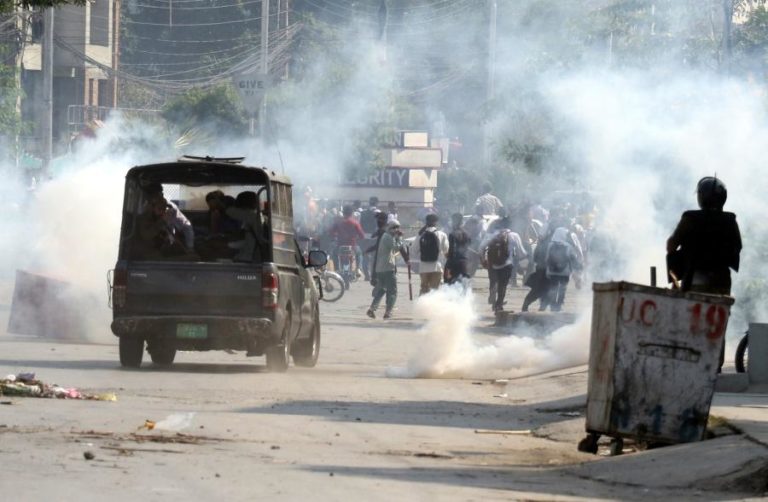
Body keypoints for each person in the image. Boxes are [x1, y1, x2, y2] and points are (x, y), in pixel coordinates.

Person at [667, 176, 742, 372]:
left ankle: (692, 365)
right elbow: (737, 248)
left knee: (693, 323)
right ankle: (714, 366)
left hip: (694, 281)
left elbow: (671, 245)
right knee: (718, 322)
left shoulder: (690, 218)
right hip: (722, 282)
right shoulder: (730, 221)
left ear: (701, 197)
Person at [481, 222, 526, 312]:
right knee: (503, 285)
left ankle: (493, 298)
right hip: (507, 264)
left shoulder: (490, 235)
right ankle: (499, 304)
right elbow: (521, 252)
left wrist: (483, 260)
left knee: (493, 282)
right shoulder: (514, 235)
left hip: (493, 264)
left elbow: (481, 248)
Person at [367, 220, 404, 319]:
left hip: (381, 269)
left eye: (397, 228)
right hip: (387, 268)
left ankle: (372, 309)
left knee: (382, 289)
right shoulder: (387, 236)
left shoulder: (387, 236)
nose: (396, 230)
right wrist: (400, 238)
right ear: (390, 228)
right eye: (394, 228)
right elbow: (396, 248)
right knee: (392, 291)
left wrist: (396, 237)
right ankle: (388, 311)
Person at [542, 226, 582, 312]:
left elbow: (546, 258)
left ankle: (552, 306)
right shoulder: (568, 246)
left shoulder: (550, 245)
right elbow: (572, 259)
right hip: (565, 272)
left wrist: (548, 269)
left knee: (553, 288)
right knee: (562, 289)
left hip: (552, 271)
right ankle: (559, 306)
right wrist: (579, 266)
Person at [143, 183, 194, 249]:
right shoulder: (143, 210)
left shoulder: (171, 209)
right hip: (151, 246)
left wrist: (189, 246)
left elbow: (185, 227)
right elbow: (146, 235)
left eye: (160, 194)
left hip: (172, 241)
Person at [410, 214, 449, 295]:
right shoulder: (442, 234)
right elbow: (446, 251)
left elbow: (413, 251)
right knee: (435, 291)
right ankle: (433, 307)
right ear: (436, 222)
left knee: (424, 290)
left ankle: (422, 307)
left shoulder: (421, 235)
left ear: (426, 222)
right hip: (437, 267)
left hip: (423, 267)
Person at [226, 191, 267, 262]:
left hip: (249, 258)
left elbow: (229, 211)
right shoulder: (257, 216)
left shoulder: (251, 215)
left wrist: (228, 245)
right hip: (251, 255)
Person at [330, 205, 365, 276]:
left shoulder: (338, 222)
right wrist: (357, 238)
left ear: (343, 213)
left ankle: (336, 269)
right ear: (351, 213)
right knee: (359, 254)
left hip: (340, 245)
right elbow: (362, 235)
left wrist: (336, 236)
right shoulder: (355, 222)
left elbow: (331, 232)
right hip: (352, 245)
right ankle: (358, 268)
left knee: (334, 254)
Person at [444, 213, 472, 286]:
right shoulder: (467, 233)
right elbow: (468, 247)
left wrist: (448, 266)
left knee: (449, 284)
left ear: (454, 221)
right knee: (463, 286)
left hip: (455, 263)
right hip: (465, 262)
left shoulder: (452, 234)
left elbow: (452, 251)